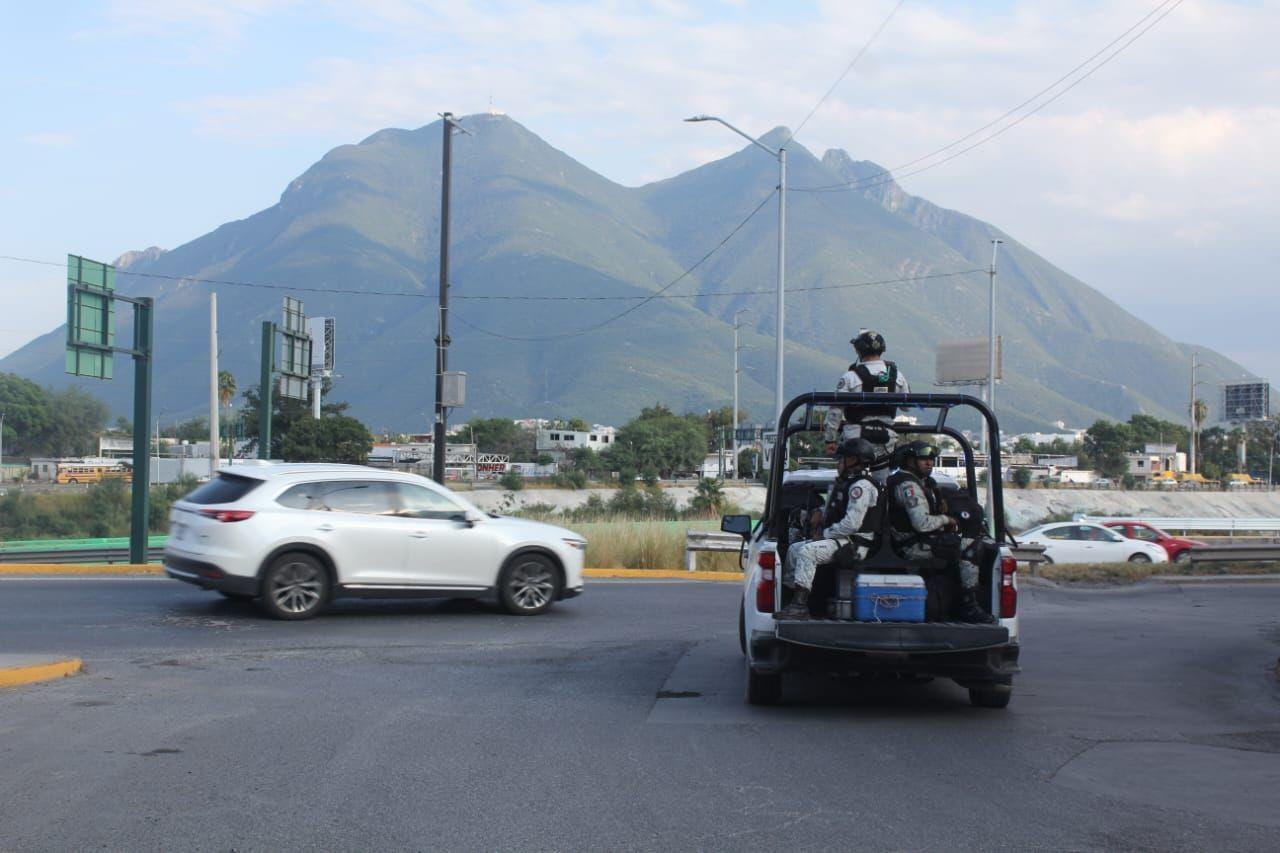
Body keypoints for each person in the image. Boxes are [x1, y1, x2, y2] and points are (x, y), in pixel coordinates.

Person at [887, 440, 996, 624]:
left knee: (961, 542)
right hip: (911, 545)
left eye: (931, 459)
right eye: (923, 459)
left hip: (920, 540)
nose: (929, 463)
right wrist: (947, 520)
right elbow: (922, 523)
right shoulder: (908, 486)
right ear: (910, 462)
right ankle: (968, 607)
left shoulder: (925, 483)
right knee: (969, 549)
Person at [775, 438, 880, 621]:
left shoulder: (861, 486)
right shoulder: (848, 484)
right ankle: (794, 601)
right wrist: (819, 513)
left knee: (808, 551)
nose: (839, 463)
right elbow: (837, 510)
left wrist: (823, 535)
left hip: (856, 543)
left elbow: (851, 524)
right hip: (843, 539)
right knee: (793, 550)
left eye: (842, 459)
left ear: (853, 460)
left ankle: (800, 606)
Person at [823, 329, 909, 477]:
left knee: (847, 483)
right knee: (883, 486)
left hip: (856, 440)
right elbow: (906, 406)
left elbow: (835, 412)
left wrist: (830, 439)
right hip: (886, 441)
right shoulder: (897, 376)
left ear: (859, 351)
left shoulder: (850, 376)